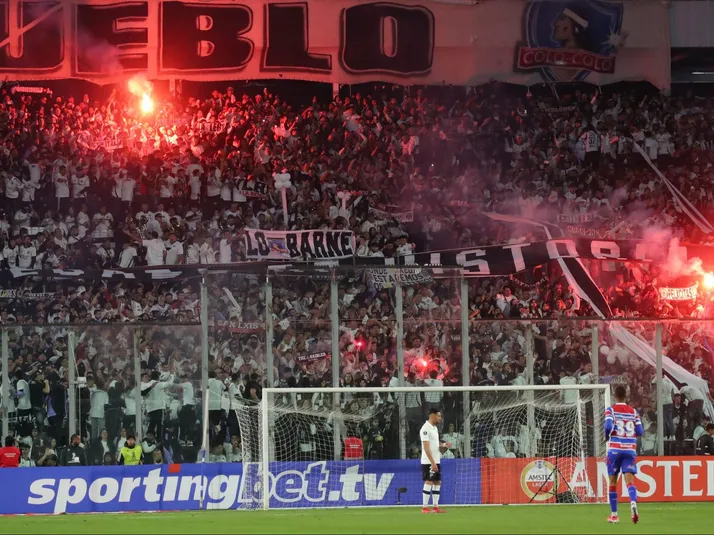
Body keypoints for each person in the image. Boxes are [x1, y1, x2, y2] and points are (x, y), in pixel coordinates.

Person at [604, 385, 643, 524]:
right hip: (630, 450)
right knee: (630, 481)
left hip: (615, 450)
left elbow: (608, 426)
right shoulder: (634, 412)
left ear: (614, 396)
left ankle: (614, 515)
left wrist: (606, 436)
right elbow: (640, 431)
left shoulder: (611, 410)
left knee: (613, 482)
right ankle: (633, 503)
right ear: (626, 396)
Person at [419, 408, 446, 514]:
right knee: (429, 481)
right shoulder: (425, 429)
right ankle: (425, 507)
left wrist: (443, 445)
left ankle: (435, 507)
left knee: (437, 481)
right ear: (433, 416)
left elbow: (435, 444)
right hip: (428, 461)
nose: (440, 418)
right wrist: (433, 463)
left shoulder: (434, 428)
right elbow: (426, 448)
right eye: (438, 416)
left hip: (436, 460)